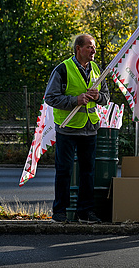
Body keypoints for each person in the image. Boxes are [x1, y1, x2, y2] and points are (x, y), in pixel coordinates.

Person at [45, 34, 110, 224]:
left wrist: (98, 97)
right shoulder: (63, 69)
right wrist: (75, 100)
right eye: (89, 47)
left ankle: (85, 212)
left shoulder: (97, 69)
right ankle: (59, 212)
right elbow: (50, 97)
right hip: (67, 128)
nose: (93, 50)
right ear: (78, 48)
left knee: (88, 172)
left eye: (94, 47)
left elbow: (106, 98)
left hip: (89, 128)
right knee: (64, 171)